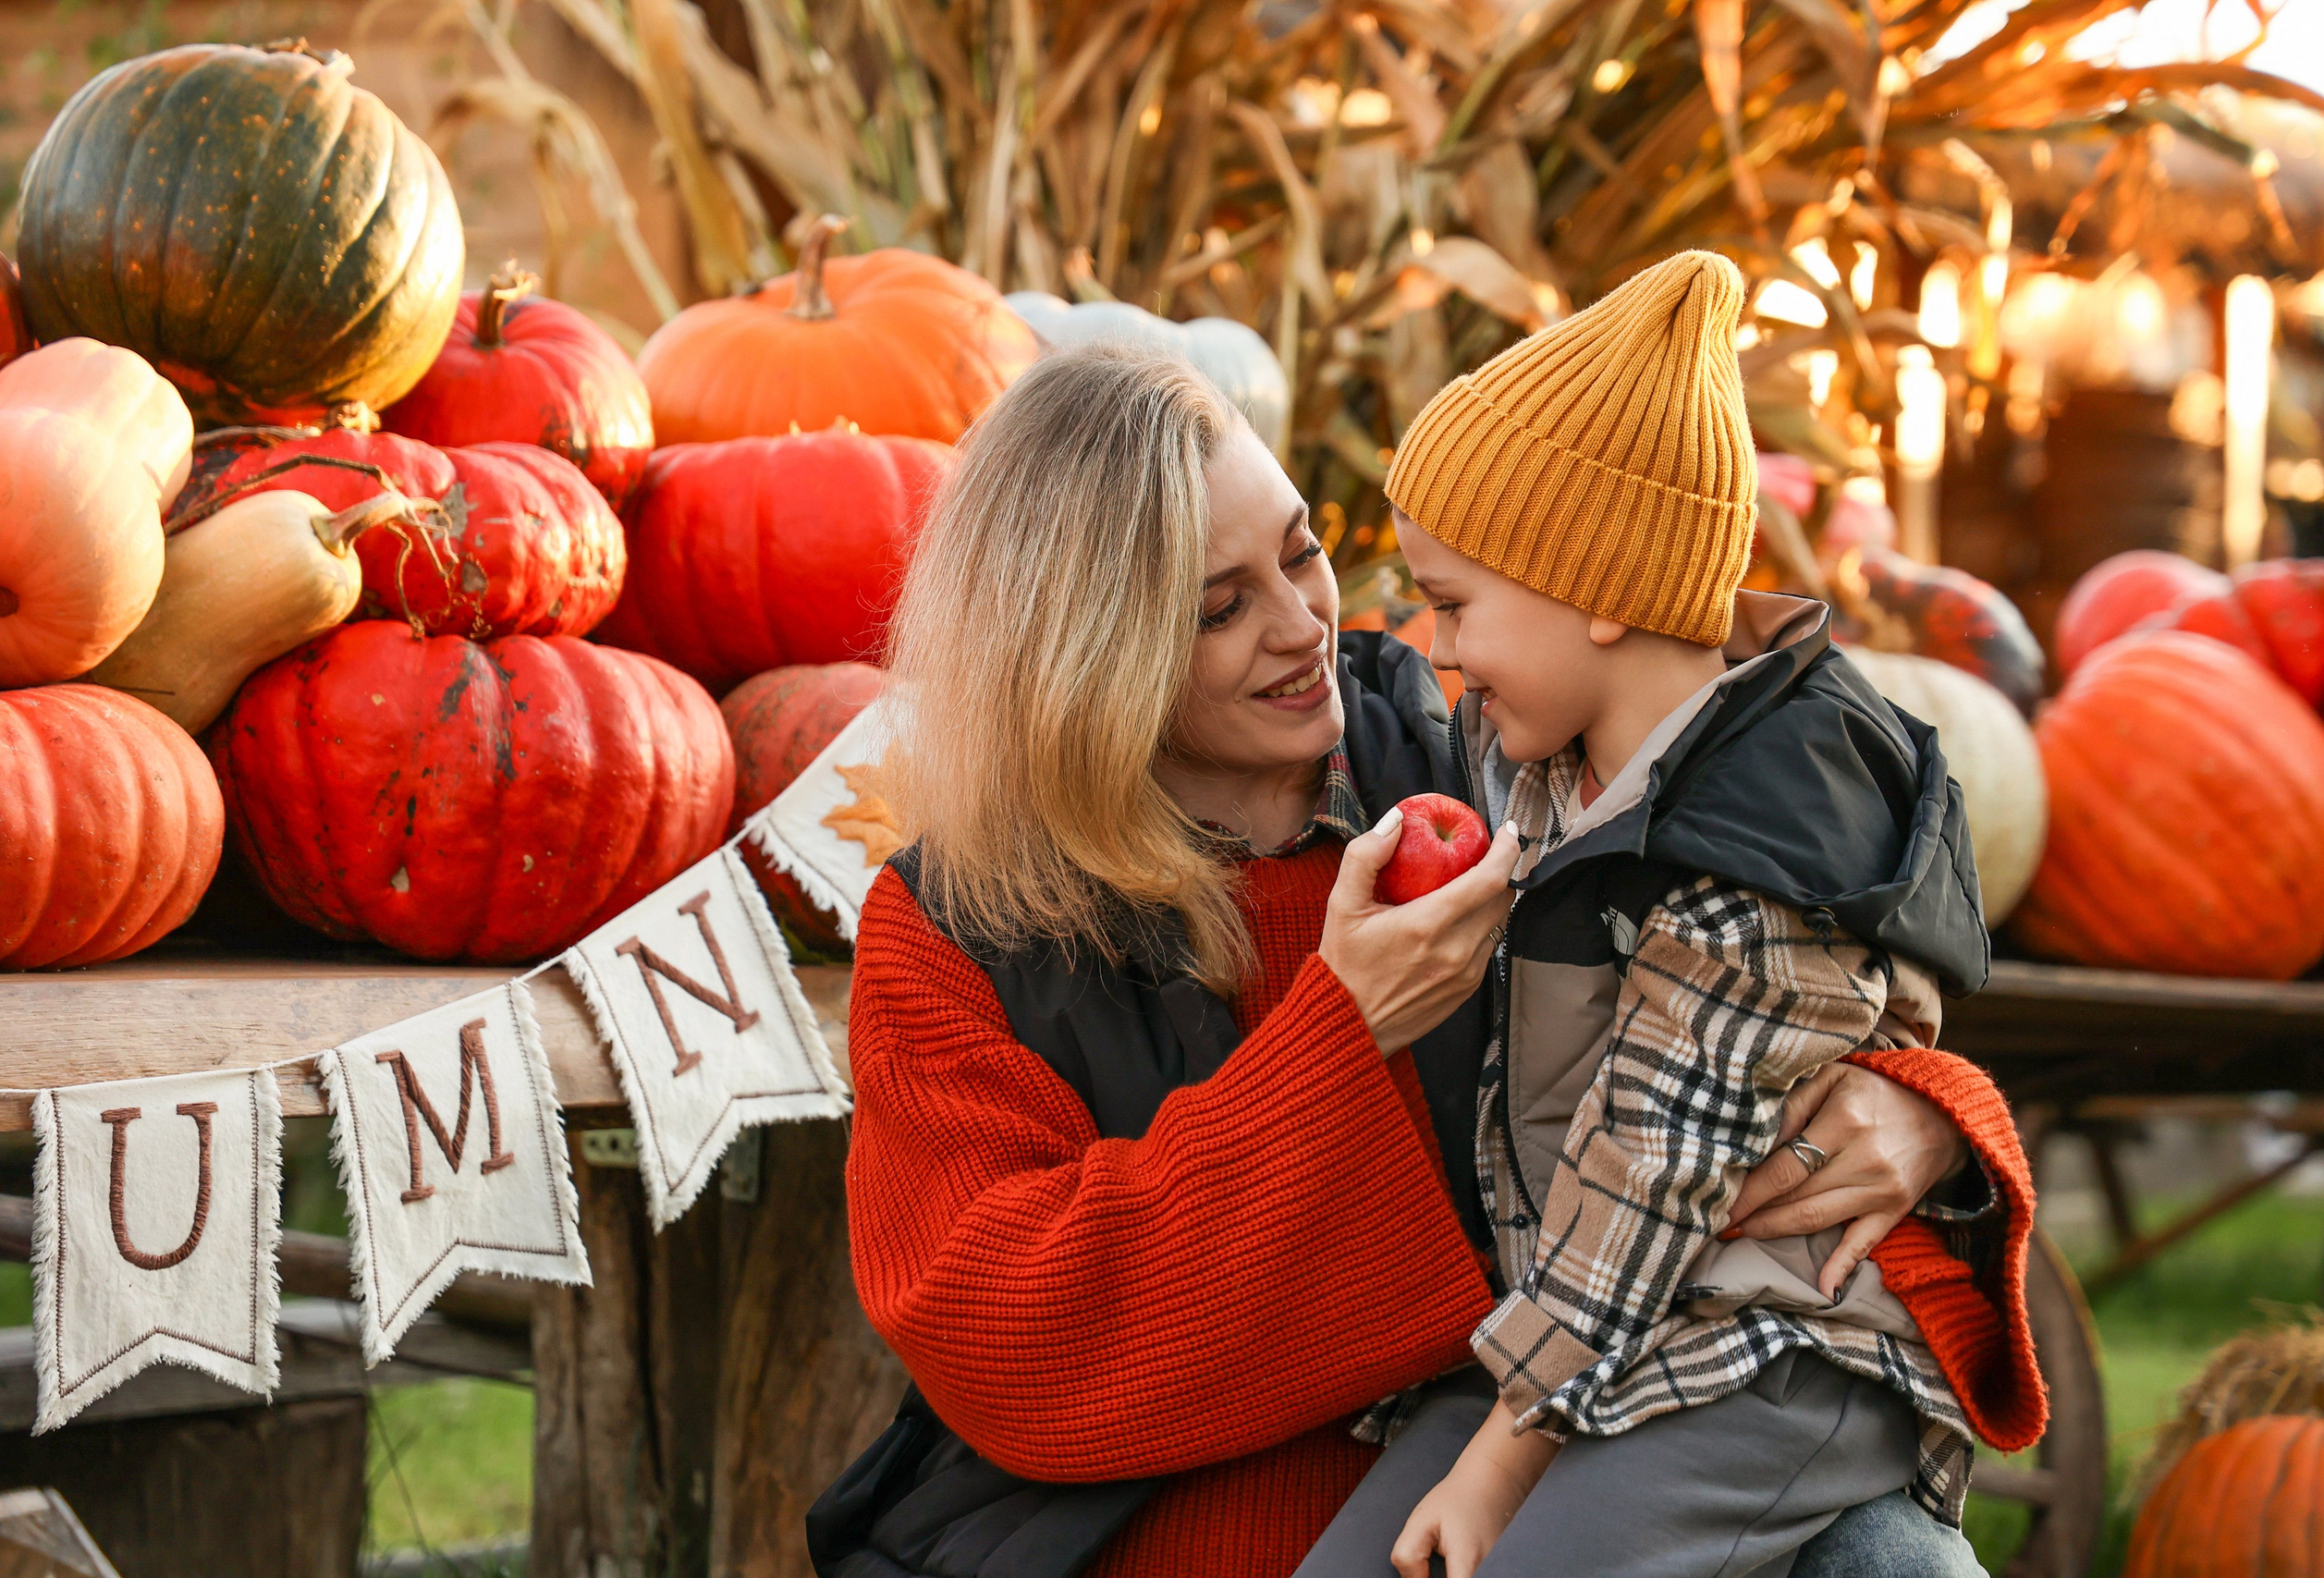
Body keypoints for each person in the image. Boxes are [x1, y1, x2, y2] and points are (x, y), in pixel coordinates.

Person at [811, 344, 2015, 1578]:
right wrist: (1338, 1038)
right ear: (1083, 660)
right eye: (1220, 608)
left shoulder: (1490, 762)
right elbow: (1014, 1345)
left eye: (1300, 553)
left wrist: (1927, 1113)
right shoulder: (962, 925)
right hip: (1193, 1523)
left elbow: (1747, 979)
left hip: (1575, 1434)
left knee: (1894, 1566)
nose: (1302, 628)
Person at [1290, 253, 2044, 1578]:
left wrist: (1498, 1462)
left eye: (1458, 603)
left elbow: (1650, 1179)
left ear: (1596, 588)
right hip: (1593, 1336)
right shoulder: (1540, 764)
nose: (1440, 647)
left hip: (1778, 1355)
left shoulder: (1759, 864)